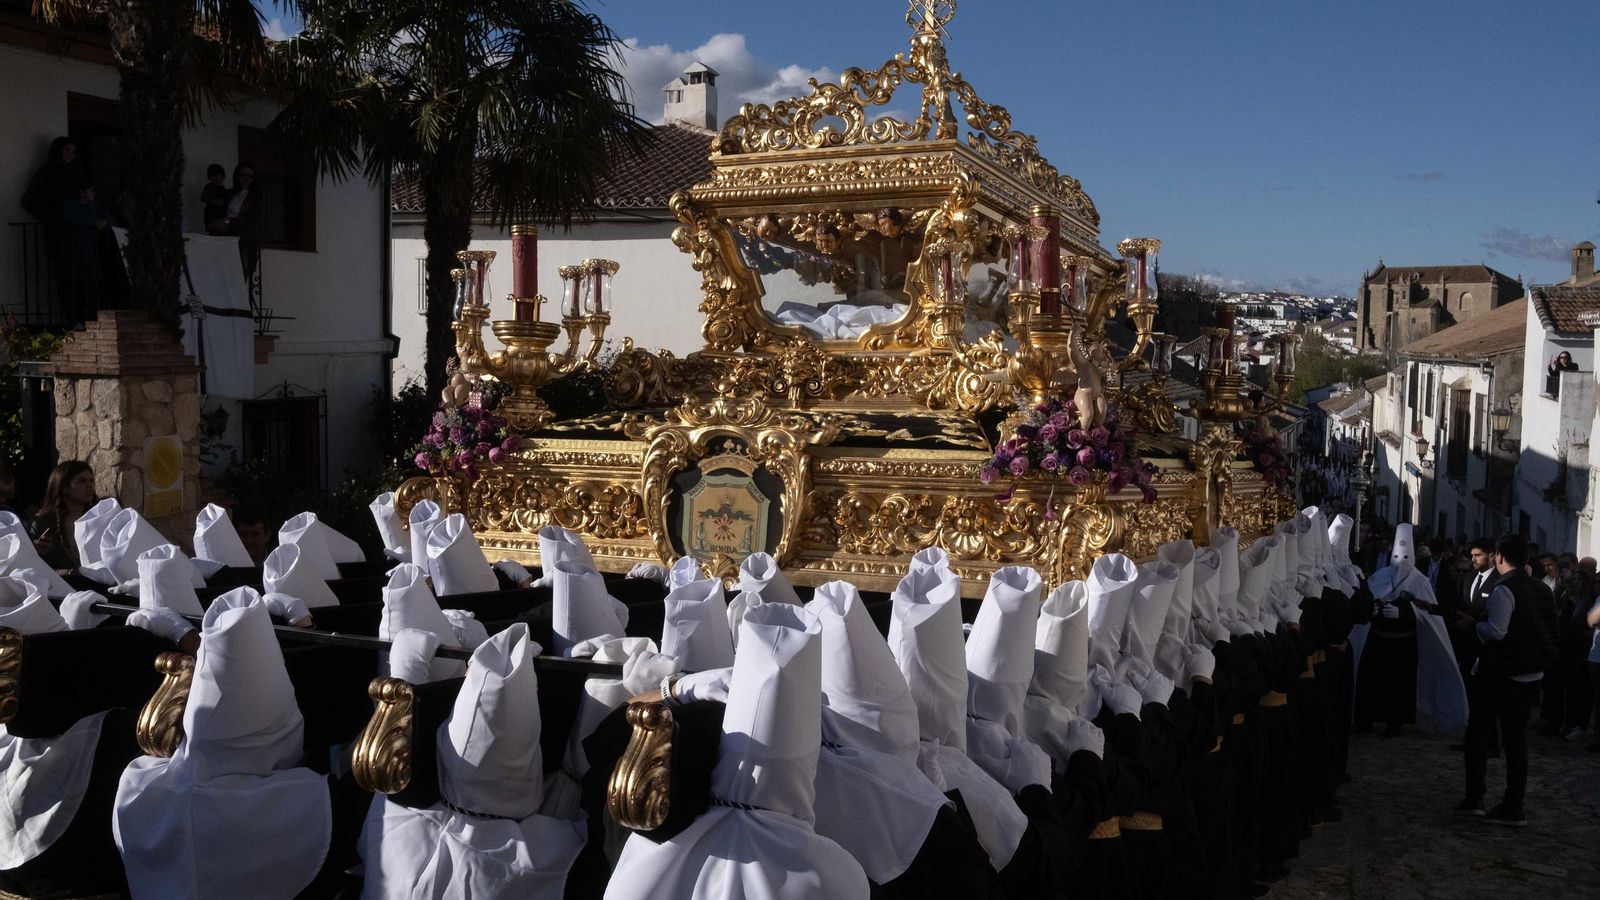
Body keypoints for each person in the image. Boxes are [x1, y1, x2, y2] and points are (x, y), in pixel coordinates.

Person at [1459, 535, 1559, 826]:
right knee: (1516, 742)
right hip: (1533, 675)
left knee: (1477, 735)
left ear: (1500, 557)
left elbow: (1496, 631)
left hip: (1502, 676)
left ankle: (1475, 798)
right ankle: (1514, 804)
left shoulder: (1504, 590)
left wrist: (1473, 625)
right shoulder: (1541, 588)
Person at [1351, 523, 1467, 735]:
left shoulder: (1420, 581)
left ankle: (1394, 722)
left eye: (1404, 558)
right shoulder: (1380, 576)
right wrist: (1374, 609)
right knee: (1372, 682)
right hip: (1378, 640)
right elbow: (1368, 599)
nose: (1400, 563)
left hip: (1403, 643)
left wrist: (1404, 614)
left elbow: (1426, 614)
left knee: (1399, 685)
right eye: (1396, 558)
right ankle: (1366, 718)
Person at [29, 461, 97, 570]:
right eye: (82, 481)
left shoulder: (98, 518)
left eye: (91, 480)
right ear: (64, 487)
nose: (90, 485)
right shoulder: (43, 523)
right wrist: (36, 549)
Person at [20, 136, 79, 259]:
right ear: (58, 150)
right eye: (67, 150)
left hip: (75, 225)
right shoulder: (46, 171)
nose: (71, 154)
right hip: (58, 228)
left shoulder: (75, 173)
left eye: (73, 151)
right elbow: (27, 200)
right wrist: (49, 216)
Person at [200, 163, 229, 234]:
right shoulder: (209, 187)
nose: (218, 179)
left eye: (221, 176)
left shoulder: (223, 189)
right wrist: (214, 201)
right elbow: (203, 197)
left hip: (222, 215)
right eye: (215, 176)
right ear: (209, 177)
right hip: (211, 215)